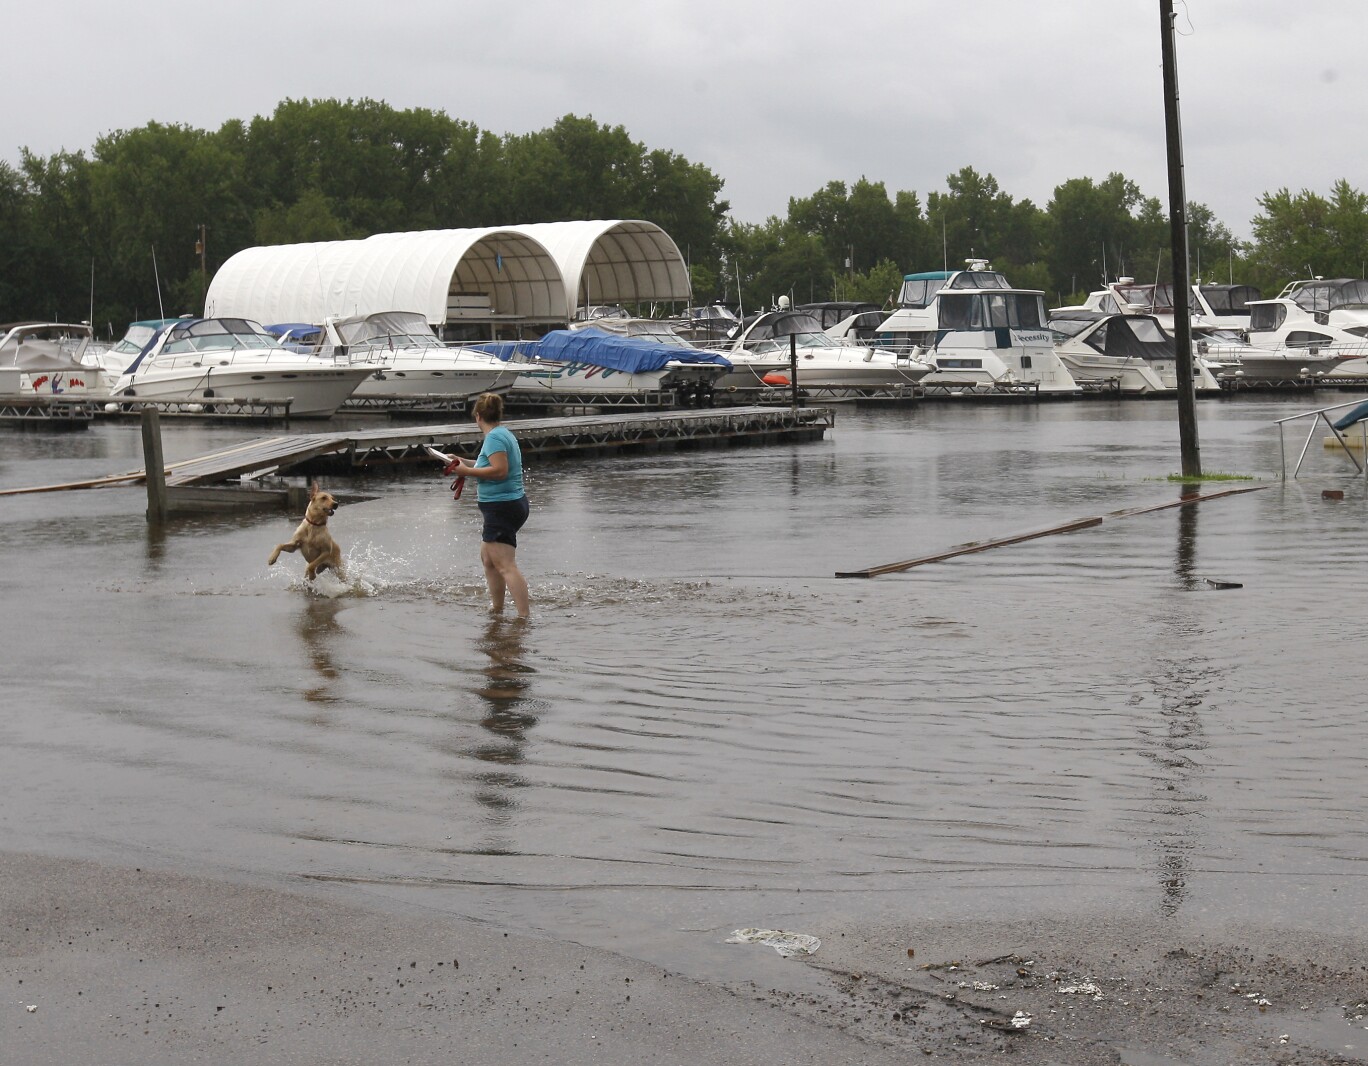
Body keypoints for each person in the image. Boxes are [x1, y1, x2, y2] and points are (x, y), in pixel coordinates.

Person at [448, 393, 531, 618]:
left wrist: (465, 472)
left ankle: (524, 617)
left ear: (478, 416)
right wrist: (462, 462)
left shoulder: (494, 438)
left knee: (505, 564)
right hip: (508, 504)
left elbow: (499, 471)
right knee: (488, 559)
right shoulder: (502, 434)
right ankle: (497, 609)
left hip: (502, 506)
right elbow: (488, 464)